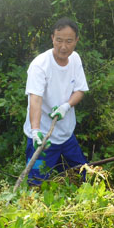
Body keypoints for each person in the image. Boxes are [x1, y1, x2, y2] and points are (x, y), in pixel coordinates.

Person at [23, 17, 89, 184]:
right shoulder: (40, 65)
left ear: (76, 40)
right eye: (59, 40)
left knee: (82, 176)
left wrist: (66, 106)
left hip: (66, 135)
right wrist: (35, 131)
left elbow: (80, 89)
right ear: (52, 38)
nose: (63, 46)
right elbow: (35, 100)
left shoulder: (75, 59)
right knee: (36, 182)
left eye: (69, 41)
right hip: (42, 138)